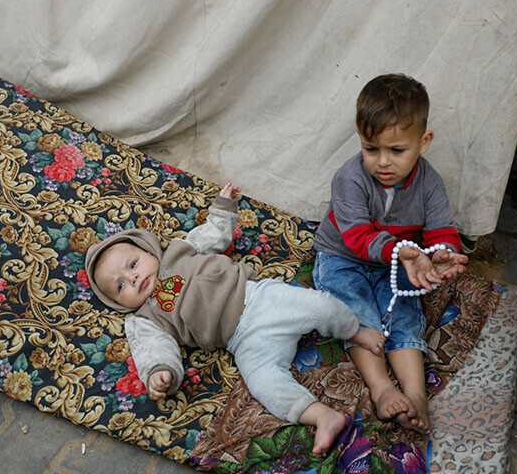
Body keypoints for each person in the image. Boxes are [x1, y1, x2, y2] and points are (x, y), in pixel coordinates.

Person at [84, 182, 386, 456]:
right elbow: (152, 348)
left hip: (258, 298)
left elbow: (213, 234)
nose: (133, 278)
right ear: (117, 303)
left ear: (149, 250)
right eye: (120, 286)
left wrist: (223, 207)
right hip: (241, 341)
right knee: (263, 383)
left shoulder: (178, 250)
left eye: (133, 264)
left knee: (318, 305)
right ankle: (321, 416)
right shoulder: (143, 318)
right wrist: (159, 372)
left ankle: (354, 331)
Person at [312, 73, 468, 434]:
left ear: (423, 142)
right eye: (371, 149)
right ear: (360, 138)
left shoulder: (430, 183)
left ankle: (416, 394)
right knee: (357, 312)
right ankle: (382, 388)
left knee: (404, 313)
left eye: (397, 151)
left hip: (397, 262)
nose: (383, 162)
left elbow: (442, 231)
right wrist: (402, 252)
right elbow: (358, 237)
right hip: (343, 257)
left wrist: (442, 254)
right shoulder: (350, 178)